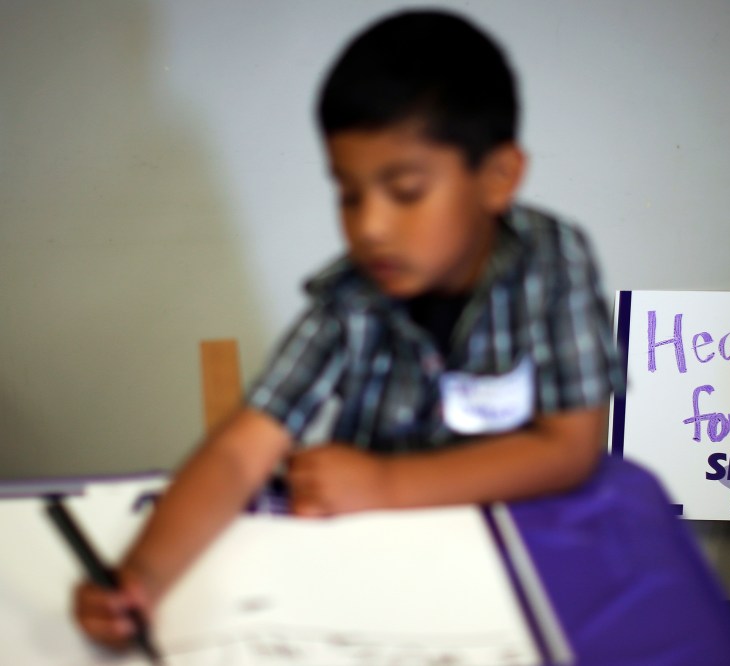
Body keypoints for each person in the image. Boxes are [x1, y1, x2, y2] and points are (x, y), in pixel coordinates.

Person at [75, 9, 624, 649]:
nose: (370, 228)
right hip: (372, 569)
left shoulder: (553, 264)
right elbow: (240, 450)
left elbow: (569, 448)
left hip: (515, 565)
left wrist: (388, 482)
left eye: (406, 190)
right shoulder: (350, 298)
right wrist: (142, 575)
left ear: (498, 177)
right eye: (348, 194)